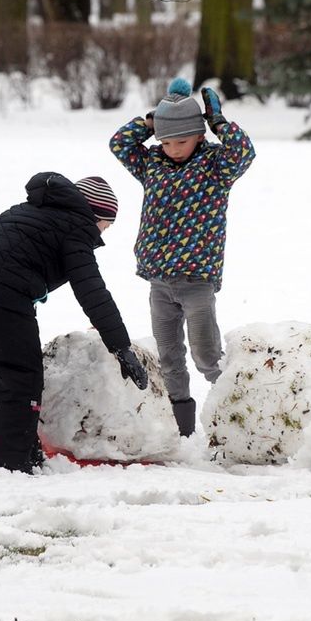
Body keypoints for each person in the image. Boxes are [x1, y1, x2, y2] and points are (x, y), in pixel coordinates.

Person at [0, 173, 148, 473]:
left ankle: (17, 455)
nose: (104, 232)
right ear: (95, 215)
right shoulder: (75, 227)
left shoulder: (35, 211)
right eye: (107, 223)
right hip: (1, 291)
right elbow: (92, 290)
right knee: (22, 378)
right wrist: (120, 346)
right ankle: (10, 466)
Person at [109, 78, 256, 436]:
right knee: (169, 357)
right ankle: (183, 431)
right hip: (159, 280)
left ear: (199, 136)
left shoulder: (216, 168)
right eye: (166, 141)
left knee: (207, 355)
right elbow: (119, 143)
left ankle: (237, 414)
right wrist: (151, 121)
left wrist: (218, 121)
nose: (173, 148)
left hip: (196, 282)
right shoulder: (152, 165)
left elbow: (244, 152)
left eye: (182, 140)